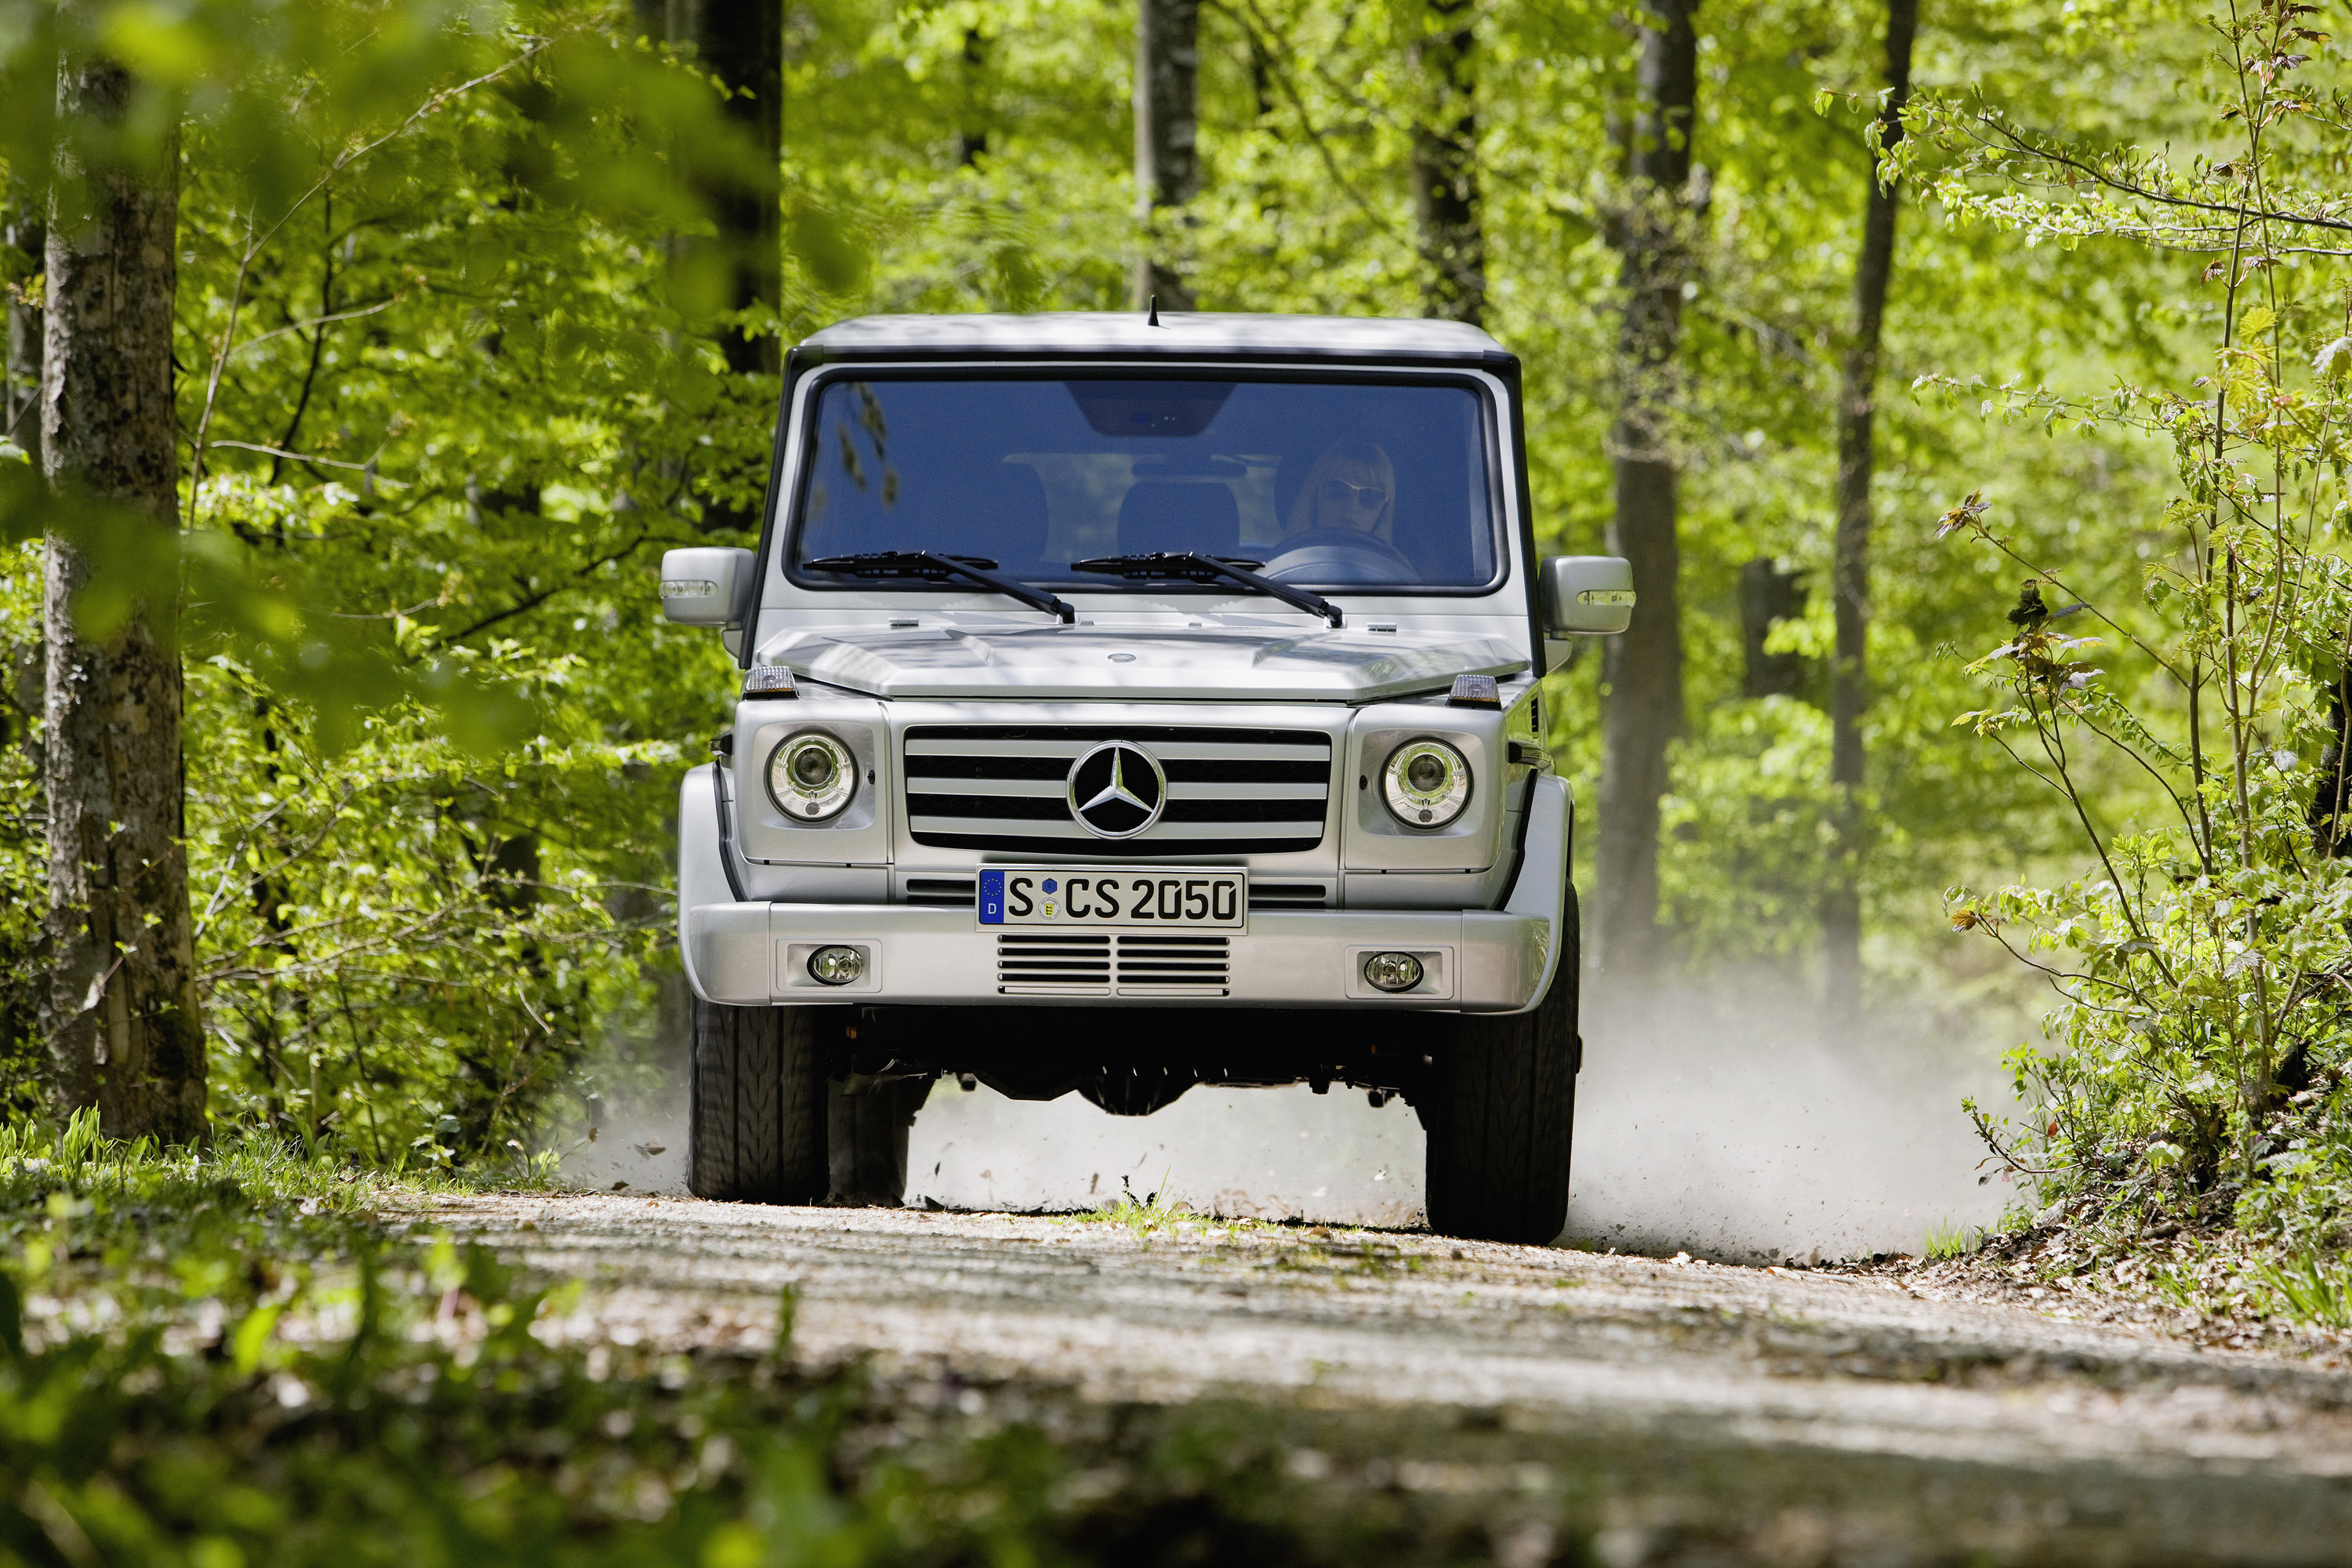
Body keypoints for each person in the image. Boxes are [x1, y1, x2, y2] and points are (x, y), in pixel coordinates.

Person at [1283, 438, 1397, 542]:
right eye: (1338, 490)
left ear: (1384, 510)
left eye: (1370, 496)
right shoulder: (1272, 564)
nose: (1352, 506)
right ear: (1314, 497)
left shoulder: (1395, 565)